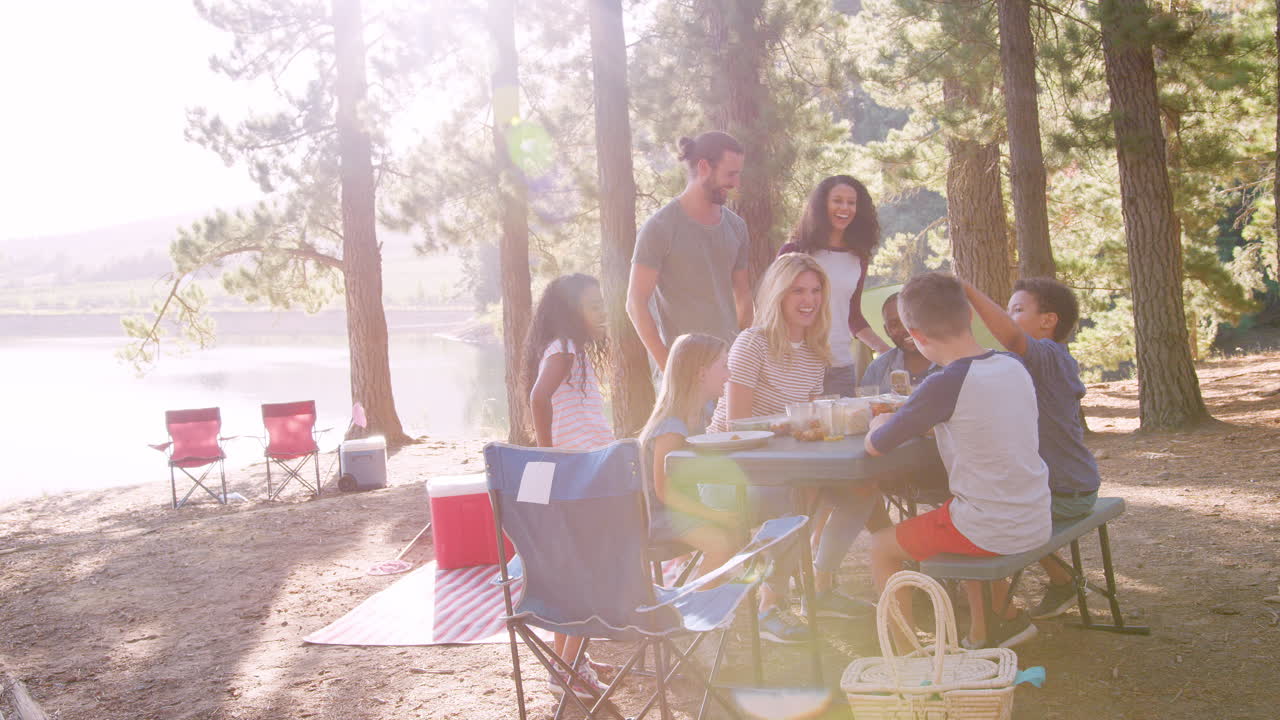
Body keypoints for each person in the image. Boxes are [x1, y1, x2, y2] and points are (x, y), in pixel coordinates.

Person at [865, 272, 1050, 649]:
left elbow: (878, 445)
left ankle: (903, 655)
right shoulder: (1012, 365)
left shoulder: (944, 382)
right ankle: (985, 632)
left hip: (991, 526)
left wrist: (878, 420)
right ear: (968, 315)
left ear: (915, 336)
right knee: (958, 510)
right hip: (1034, 514)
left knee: (880, 546)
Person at [707, 253, 879, 641]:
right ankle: (770, 606)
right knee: (797, 498)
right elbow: (737, 427)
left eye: (816, 290)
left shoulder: (817, 352)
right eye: (798, 290)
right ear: (778, 296)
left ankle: (820, 588)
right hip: (730, 469)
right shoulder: (751, 344)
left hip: (787, 466)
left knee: (862, 489)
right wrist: (793, 424)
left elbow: (812, 420)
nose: (809, 299)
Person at [961, 277, 1101, 620]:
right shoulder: (1016, 364)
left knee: (981, 518)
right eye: (1008, 310)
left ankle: (999, 615)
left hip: (1068, 490)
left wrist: (966, 288)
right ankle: (1060, 579)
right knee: (984, 502)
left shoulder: (1051, 357)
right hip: (1051, 486)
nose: (1010, 318)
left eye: (1018, 310)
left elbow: (1009, 335)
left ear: (1048, 320)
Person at [522, 273, 614, 699]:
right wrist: (549, 455)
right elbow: (539, 399)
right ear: (570, 312)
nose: (602, 311)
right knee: (591, 575)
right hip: (578, 479)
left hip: (588, 474)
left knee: (582, 573)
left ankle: (569, 662)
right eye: (593, 304)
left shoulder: (570, 350)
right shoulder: (564, 348)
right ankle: (568, 670)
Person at [627, 131, 753, 372]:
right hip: (683, 373)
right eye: (731, 174)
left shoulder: (737, 227)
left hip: (728, 369)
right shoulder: (660, 227)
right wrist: (669, 367)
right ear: (704, 167)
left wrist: (741, 353)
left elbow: (743, 295)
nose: (736, 183)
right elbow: (635, 303)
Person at [779, 175, 891, 396]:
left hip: (841, 366)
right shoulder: (795, 251)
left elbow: (854, 316)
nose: (845, 208)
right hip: (798, 365)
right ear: (822, 205)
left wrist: (888, 352)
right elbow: (776, 309)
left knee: (845, 431)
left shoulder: (858, 257)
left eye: (851, 202)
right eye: (837, 201)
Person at [639, 333, 739, 575]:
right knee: (721, 545)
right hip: (658, 515)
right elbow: (664, 492)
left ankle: (716, 599)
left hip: (683, 505)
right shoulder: (672, 428)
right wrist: (714, 515)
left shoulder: (701, 411)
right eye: (724, 367)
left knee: (737, 528)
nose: (729, 375)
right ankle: (694, 608)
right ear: (702, 374)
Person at [861, 292, 938, 394]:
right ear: (887, 331)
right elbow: (865, 407)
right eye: (894, 324)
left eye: (910, 318)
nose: (905, 329)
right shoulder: (877, 369)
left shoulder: (951, 362)